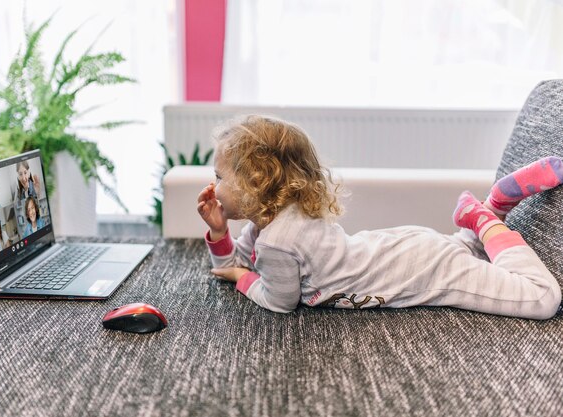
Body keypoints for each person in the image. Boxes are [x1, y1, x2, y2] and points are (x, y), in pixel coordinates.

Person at [197, 115, 562, 319]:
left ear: (256, 183)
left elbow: (279, 300)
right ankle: (488, 209)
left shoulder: (277, 241)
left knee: (542, 299)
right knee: (467, 248)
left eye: (219, 177)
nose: (212, 186)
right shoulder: (276, 218)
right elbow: (237, 260)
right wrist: (219, 233)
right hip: (408, 248)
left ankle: (486, 217)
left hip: (425, 271)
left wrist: (243, 279)